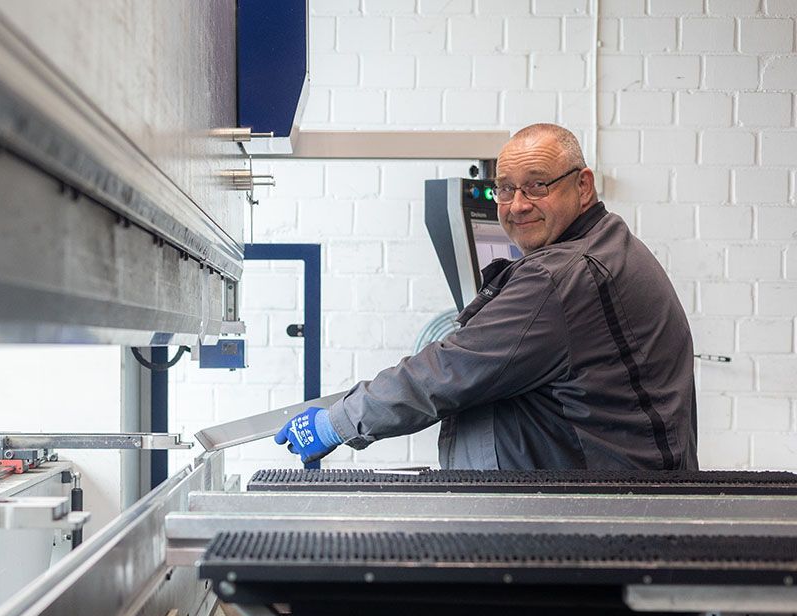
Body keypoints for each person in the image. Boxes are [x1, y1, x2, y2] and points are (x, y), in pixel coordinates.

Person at [275, 123, 698, 470]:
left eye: (536, 186)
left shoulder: (560, 277)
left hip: (583, 522)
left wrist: (337, 423)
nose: (517, 206)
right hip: (599, 505)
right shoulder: (607, 245)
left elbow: (448, 371)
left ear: (583, 186)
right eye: (506, 189)